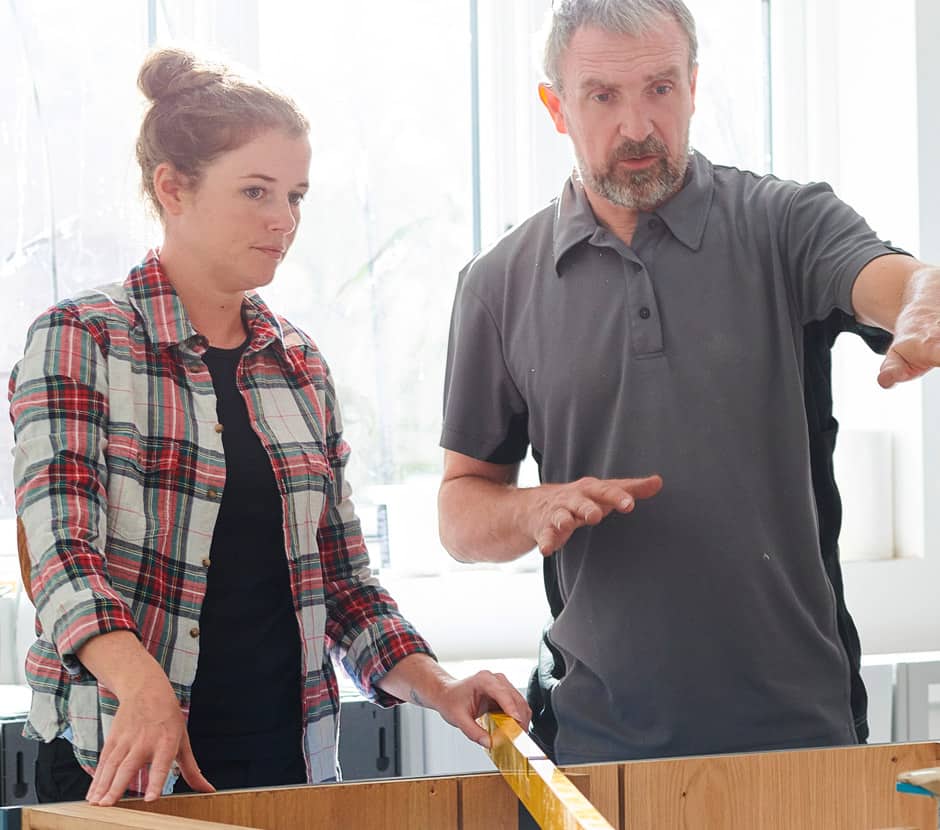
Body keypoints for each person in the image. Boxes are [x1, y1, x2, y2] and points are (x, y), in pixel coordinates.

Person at [9, 47, 530, 807]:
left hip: (288, 764)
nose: (283, 219)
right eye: (256, 191)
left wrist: (441, 686)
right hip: (121, 764)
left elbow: (346, 586)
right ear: (172, 189)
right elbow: (59, 556)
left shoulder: (300, 367)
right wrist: (142, 682)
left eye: (296, 195)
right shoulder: (79, 339)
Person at [438, 0, 940, 767]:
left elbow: (886, 279)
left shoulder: (787, 223)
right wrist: (532, 506)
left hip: (802, 735)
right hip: (595, 744)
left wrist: (923, 295)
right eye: (602, 96)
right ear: (555, 106)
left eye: (660, 89)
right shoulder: (497, 285)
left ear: (695, 86)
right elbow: (461, 509)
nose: (637, 126)